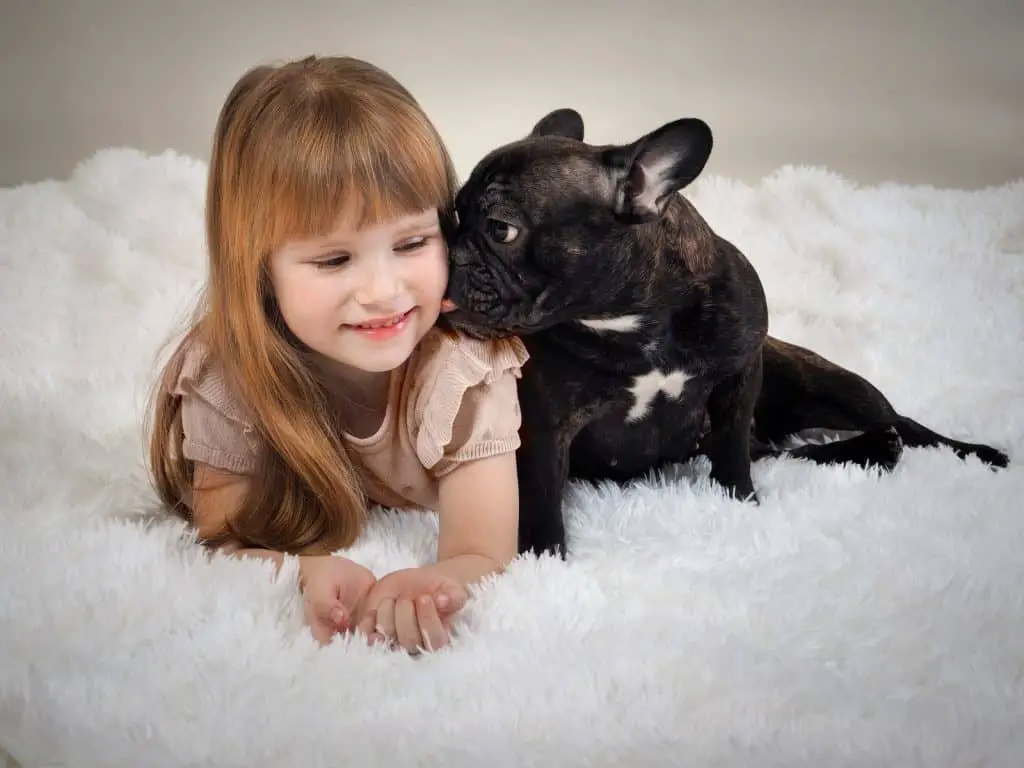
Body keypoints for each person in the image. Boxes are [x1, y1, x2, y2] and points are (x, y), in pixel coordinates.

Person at [145, 55, 525, 653]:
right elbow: (222, 542)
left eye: (411, 242)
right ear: (259, 270)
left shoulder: (461, 369)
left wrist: (431, 585)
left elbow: (484, 551)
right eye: (333, 259)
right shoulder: (230, 377)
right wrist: (307, 570)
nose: (382, 291)